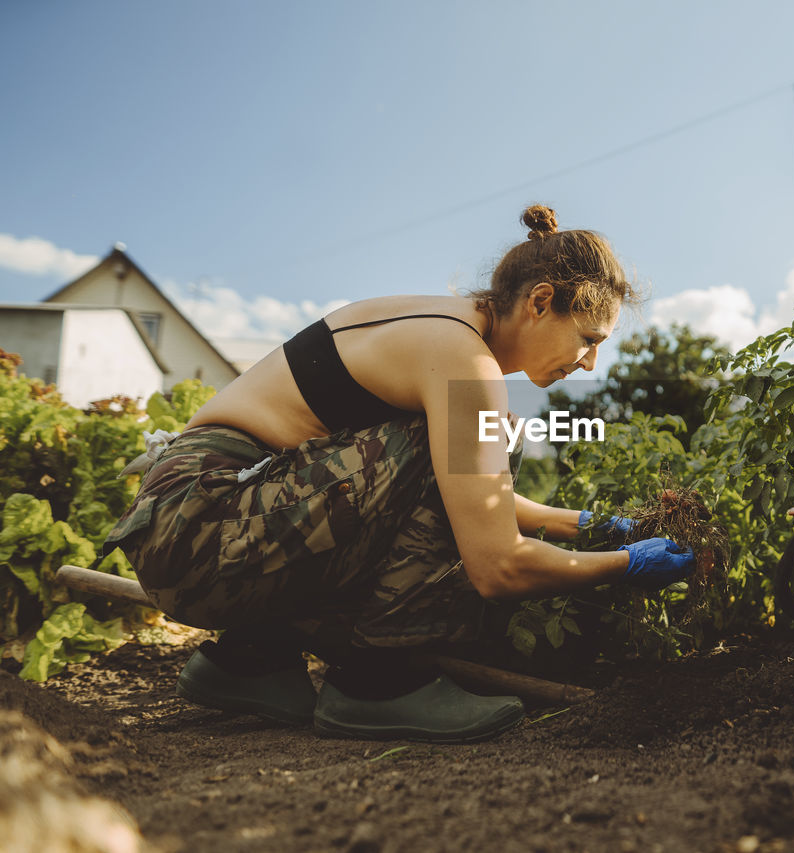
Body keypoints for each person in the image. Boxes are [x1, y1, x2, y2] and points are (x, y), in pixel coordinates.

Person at [103, 205, 694, 743]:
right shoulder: (465, 363)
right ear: (541, 302)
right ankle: (377, 683)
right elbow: (495, 564)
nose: (589, 362)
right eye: (588, 340)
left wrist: (591, 525)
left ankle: (253, 659)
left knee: (482, 440)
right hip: (204, 527)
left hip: (194, 521)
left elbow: (458, 495)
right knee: (493, 434)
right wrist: (624, 567)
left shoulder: (443, 326)